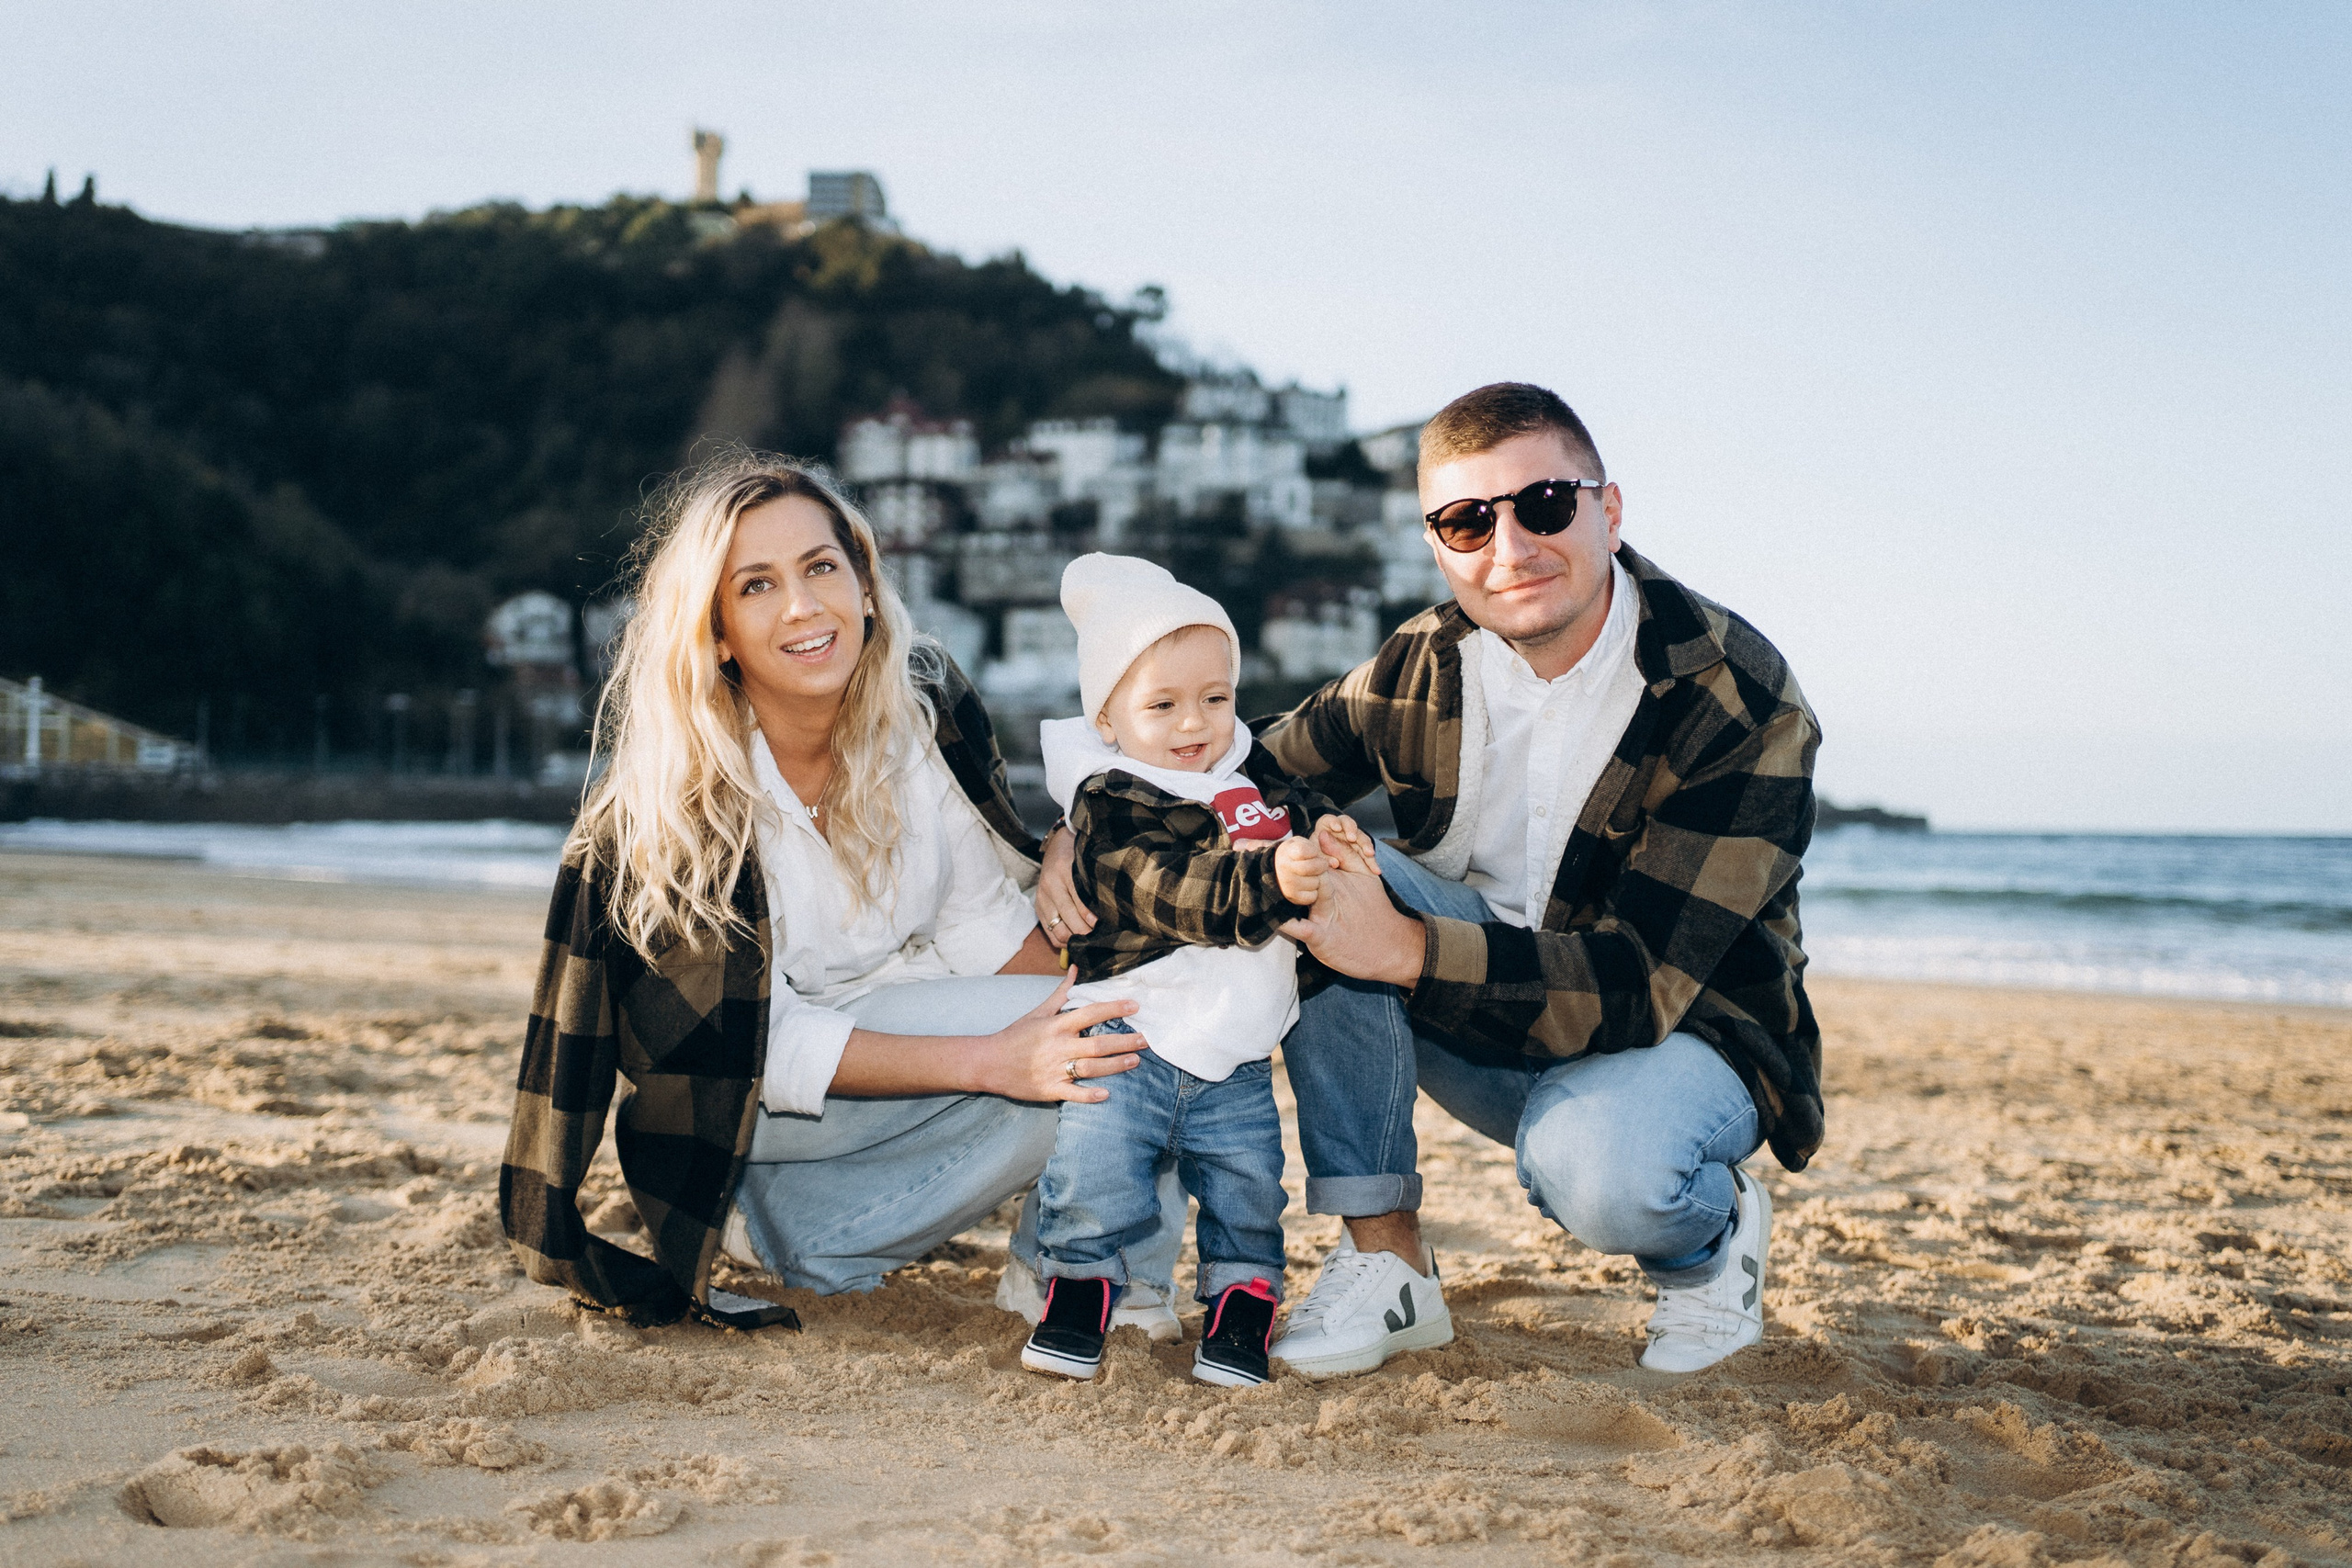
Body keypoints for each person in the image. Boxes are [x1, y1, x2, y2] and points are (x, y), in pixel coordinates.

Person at [1034, 383, 1823, 1378]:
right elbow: (1236, 774)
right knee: (1321, 874)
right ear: (1437, 543)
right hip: (1479, 1017)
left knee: (1602, 1172)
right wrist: (1089, 822)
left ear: (1607, 510)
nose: (1508, 548)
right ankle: (1390, 1266)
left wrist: (1404, 949)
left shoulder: (1733, 695)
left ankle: (1709, 1245)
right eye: (1465, 521)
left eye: (1543, 504)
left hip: (1682, 1034)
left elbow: (1642, 981)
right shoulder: (1425, 660)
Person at [500, 451, 1182, 1330]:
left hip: (881, 1031)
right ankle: (1064, 1266)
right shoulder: (677, 802)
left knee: (1126, 1021)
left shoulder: (919, 713)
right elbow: (755, 1044)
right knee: (1079, 1043)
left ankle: (1006, 1261)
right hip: (729, 1099)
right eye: (756, 586)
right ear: (716, 631)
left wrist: (1104, 915)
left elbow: (982, 926)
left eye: (821, 566)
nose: (802, 606)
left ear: (863, 582)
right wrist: (992, 1059)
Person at [1010, 555, 1363, 1386]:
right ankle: (1078, 1287)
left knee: (1247, 1186)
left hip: (1236, 1054)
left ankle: (1243, 1300)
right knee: (1094, 1175)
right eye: (1161, 704)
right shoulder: (1113, 802)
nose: (1193, 723)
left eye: (1215, 696)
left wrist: (1332, 836)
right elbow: (1169, 890)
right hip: (1127, 1033)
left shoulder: (1253, 774)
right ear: (1107, 717)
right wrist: (1267, 880)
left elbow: (1297, 818)